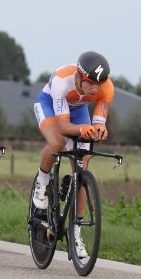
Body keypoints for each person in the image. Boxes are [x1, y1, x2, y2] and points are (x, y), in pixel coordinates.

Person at [31, 51, 114, 258]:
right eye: (90, 82)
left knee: (83, 161)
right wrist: (81, 130)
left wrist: (99, 130)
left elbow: (98, 122)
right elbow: (63, 126)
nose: (95, 88)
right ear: (79, 76)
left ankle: (76, 233)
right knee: (58, 142)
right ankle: (42, 182)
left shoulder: (107, 88)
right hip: (50, 105)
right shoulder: (62, 81)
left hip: (78, 109)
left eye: (99, 84)